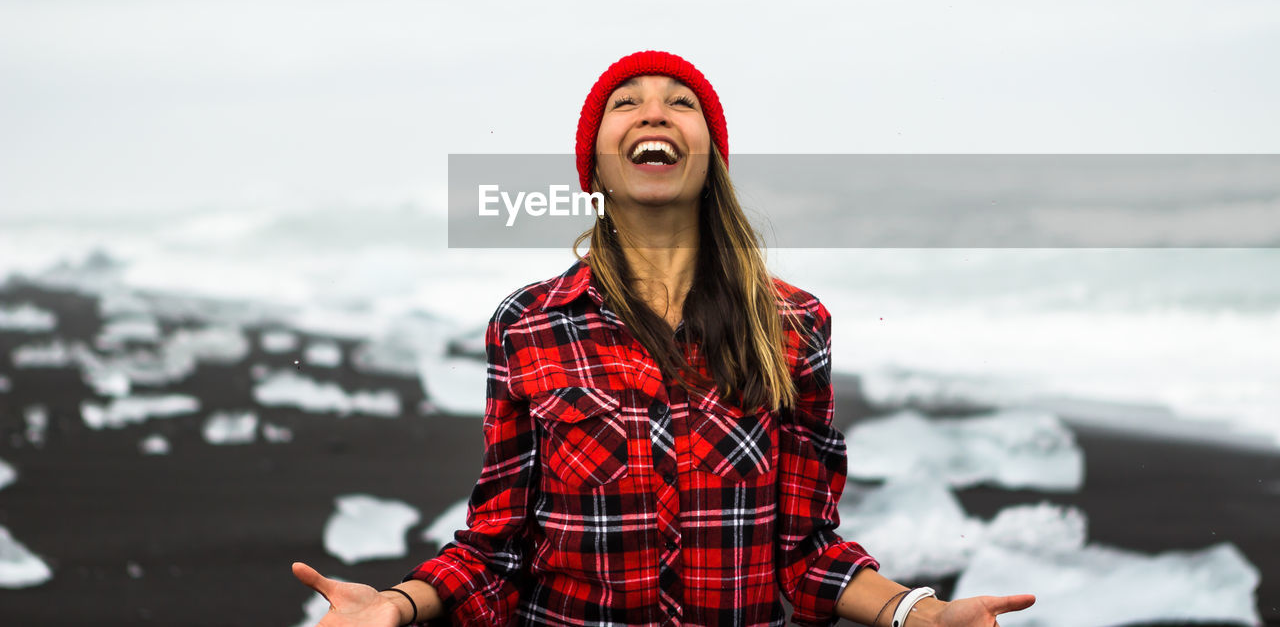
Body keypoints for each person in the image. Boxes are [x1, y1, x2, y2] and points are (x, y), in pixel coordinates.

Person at [291, 51, 1036, 627]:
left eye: (681, 104)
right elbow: (499, 548)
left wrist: (921, 611)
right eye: (628, 103)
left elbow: (806, 553)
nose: (655, 113)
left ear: (709, 157)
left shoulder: (795, 326)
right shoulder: (529, 325)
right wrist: (396, 603)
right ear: (595, 165)